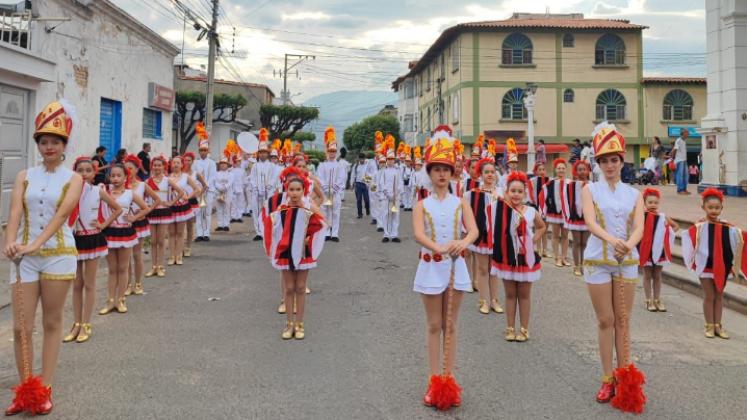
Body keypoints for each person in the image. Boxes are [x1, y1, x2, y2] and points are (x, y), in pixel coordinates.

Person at [3, 100, 83, 416]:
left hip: (58, 255)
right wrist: (10, 244)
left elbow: (60, 216)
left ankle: (44, 389)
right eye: (44, 141)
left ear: (65, 144)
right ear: (38, 144)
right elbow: (13, 214)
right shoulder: (24, 175)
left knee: (51, 322)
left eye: (55, 141)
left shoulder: (74, 178)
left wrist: (34, 244)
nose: (49, 146)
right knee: (20, 328)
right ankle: (26, 392)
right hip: (25, 258)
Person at [581, 123, 646, 410]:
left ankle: (625, 376)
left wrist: (628, 245)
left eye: (614, 160)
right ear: (598, 163)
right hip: (598, 260)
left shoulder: (634, 194)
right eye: (604, 160)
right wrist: (613, 241)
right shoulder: (590, 189)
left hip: (626, 261)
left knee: (624, 320)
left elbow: (640, 227)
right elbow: (590, 222)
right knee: (605, 320)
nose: (610, 165)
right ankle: (607, 377)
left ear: (622, 162)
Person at [412, 129, 478, 410]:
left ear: (453, 173)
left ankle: (448, 378)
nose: (441, 174)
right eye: (436, 169)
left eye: (446, 169)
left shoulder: (461, 202)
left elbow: (474, 231)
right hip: (430, 267)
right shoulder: (421, 204)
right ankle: (432, 379)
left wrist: (461, 243)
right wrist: (438, 248)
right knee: (434, 325)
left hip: (456, 267)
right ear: (429, 172)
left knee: (450, 325)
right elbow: (418, 234)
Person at [264, 169, 328, 340]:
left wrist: (310, 238)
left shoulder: (308, 205)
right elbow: (273, 229)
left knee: (300, 287)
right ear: (286, 190)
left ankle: (300, 324)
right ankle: (289, 324)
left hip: (304, 252)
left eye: (298, 189)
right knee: (289, 287)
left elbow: (323, 224)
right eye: (291, 189)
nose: (294, 193)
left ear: (304, 190)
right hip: (286, 251)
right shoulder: (281, 208)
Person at [66, 156, 122, 344]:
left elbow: (117, 209)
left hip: (93, 238)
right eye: (80, 170)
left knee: (89, 283)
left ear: (94, 173)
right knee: (76, 284)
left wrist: (103, 224)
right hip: (74, 239)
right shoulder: (68, 191)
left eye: (87, 171)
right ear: (74, 171)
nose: (84, 174)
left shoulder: (97, 191)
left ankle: (86, 324)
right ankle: (76, 323)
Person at [682, 188, 747, 339]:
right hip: (705, 266)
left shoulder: (728, 227)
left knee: (719, 295)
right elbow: (689, 239)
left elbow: (739, 239)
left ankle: (718, 325)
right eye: (710, 207)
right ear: (703, 207)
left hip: (722, 266)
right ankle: (709, 325)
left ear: (721, 208)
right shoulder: (699, 227)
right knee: (709, 295)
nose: (714, 210)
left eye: (717, 208)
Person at [493, 172, 546, 342]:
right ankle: (510, 328)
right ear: (506, 192)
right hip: (507, 257)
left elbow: (542, 227)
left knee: (524, 294)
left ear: (525, 194)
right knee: (509, 294)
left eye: (520, 191)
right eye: (512, 191)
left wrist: (532, 241)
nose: (516, 194)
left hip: (526, 259)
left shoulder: (531, 211)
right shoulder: (501, 210)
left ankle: (524, 329)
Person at [99, 164, 151, 315]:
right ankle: (110, 301)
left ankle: (121, 300)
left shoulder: (129, 193)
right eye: (112, 175)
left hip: (125, 232)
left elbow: (146, 208)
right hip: (108, 232)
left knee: (123, 268)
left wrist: (133, 218)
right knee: (112, 269)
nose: (115, 178)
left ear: (125, 177)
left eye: (118, 175)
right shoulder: (103, 191)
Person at [464, 141, 503, 314]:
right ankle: (483, 301)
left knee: (494, 270)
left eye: (492, 172)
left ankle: (494, 300)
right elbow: (466, 215)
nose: (489, 175)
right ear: (480, 174)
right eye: (486, 172)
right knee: (482, 269)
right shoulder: (471, 194)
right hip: (481, 237)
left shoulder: (502, 193)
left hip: (497, 237)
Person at [123, 155, 160, 296]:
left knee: (136, 255)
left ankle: (138, 283)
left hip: (138, 222)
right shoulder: (120, 186)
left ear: (137, 169)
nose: (127, 171)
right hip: (124, 224)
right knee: (126, 258)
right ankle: (127, 284)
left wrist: (147, 210)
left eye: (130, 168)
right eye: (125, 168)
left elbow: (156, 199)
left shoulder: (143, 185)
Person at [637, 188, 679, 312]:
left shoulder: (662, 217)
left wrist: (667, 235)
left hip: (660, 250)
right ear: (644, 203)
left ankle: (657, 299)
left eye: (655, 202)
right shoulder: (642, 215)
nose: (653, 205)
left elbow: (676, 226)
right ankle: (648, 300)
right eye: (650, 202)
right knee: (647, 275)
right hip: (646, 250)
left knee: (657, 275)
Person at [145, 156, 184, 278]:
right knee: (153, 241)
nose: (157, 167)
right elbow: (142, 196)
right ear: (152, 166)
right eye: (155, 165)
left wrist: (171, 203)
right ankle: (153, 267)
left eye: (159, 165)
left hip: (163, 211)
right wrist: (146, 205)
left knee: (161, 240)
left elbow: (181, 192)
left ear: (163, 167)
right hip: (152, 211)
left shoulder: (167, 180)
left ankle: (161, 266)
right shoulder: (147, 182)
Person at [167, 155, 198, 266]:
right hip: (170, 207)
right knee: (171, 233)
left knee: (180, 233)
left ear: (181, 165)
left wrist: (187, 197)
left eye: (178, 163)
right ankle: (172, 256)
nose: (175, 165)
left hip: (182, 207)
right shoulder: (167, 178)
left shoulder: (186, 177)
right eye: (173, 163)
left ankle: (179, 255)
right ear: (171, 164)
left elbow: (196, 189)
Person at [317, 127, 346, 242]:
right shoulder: (322, 165)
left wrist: (334, 188)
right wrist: (325, 187)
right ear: (327, 152)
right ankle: (326, 233)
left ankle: (334, 233)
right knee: (325, 212)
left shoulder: (340, 165)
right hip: (325, 192)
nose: (332, 153)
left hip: (335, 193)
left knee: (335, 213)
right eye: (330, 151)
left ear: (336, 152)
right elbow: (320, 178)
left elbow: (341, 178)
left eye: (333, 151)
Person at [539, 159, 570, 267]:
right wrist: (544, 210)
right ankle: (557, 257)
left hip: (566, 214)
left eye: (563, 168)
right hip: (554, 212)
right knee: (555, 235)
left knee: (565, 235)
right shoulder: (550, 184)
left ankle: (564, 257)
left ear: (566, 169)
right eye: (559, 168)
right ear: (555, 170)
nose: (561, 170)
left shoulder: (570, 183)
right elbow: (542, 197)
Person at [249, 129, 277, 241]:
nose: (262, 154)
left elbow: (274, 178)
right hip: (257, 192)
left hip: (268, 192)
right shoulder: (255, 165)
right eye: (260, 152)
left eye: (264, 152)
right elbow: (253, 178)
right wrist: (256, 188)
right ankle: (258, 232)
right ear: (258, 153)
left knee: (268, 211)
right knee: (256, 212)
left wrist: (268, 187)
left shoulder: (272, 166)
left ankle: (267, 231)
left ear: (267, 153)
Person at [565, 161, 591, 276]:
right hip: (575, 216)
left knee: (584, 242)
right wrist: (567, 216)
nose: (582, 172)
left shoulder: (592, 185)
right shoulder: (570, 185)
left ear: (588, 171)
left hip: (588, 218)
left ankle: (584, 264)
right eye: (579, 169)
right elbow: (565, 200)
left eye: (584, 169)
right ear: (575, 171)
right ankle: (576, 265)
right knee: (576, 242)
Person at [377, 136, 404, 243]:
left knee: (395, 215)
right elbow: (381, 183)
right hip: (386, 196)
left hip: (395, 197)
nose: (390, 161)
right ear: (386, 160)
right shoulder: (383, 171)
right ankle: (386, 234)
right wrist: (387, 193)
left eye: (392, 159)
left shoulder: (398, 171)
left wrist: (396, 193)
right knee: (386, 214)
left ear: (394, 160)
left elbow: (401, 183)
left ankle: (394, 234)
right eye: (389, 159)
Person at [181, 152, 208, 257]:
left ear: (192, 162)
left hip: (191, 202)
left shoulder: (195, 174)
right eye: (185, 160)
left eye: (189, 160)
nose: (187, 162)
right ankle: (180, 248)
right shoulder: (180, 173)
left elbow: (205, 186)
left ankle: (188, 247)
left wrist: (197, 195)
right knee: (180, 227)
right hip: (181, 201)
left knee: (189, 226)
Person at [194, 139, 216, 242]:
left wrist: (206, 186)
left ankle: (206, 233)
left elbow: (212, 176)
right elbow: (194, 176)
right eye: (201, 150)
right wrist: (199, 188)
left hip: (209, 190)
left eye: (205, 150)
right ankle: (199, 233)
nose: (203, 152)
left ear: (208, 151)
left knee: (207, 212)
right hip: (198, 190)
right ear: (199, 151)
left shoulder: (212, 163)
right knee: (198, 212)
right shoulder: (196, 163)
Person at [528, 161, 551, 258]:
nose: (542, 171)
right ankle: (537, 249)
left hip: (546, 208)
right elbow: (530, 195)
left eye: (543, 169)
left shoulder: (549, 180)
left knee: (545, 229)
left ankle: (545, 250)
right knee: (539, 228)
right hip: (536, 207)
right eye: (539, 170)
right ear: (536, 171)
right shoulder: (532, 181)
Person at [351, 152, 375, 218]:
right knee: (358, 199)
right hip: (358, 184)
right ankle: (360, 214)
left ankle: (367, 208)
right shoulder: (356, 166)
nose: (362, 160)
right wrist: (351, 184)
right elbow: (353, 175)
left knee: (367, 199)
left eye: (363, 159)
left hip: (365, 184)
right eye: (361, 159)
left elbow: (372, 172)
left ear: (365, 159)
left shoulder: (368, 164)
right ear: (359, 159)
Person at [214, 155, 234, 232]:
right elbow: (214, 182)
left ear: (227, 164)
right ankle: (220, 225)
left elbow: (231, 182)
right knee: (219, 209)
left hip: (227, 193)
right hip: (218, 193)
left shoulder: (230, 174)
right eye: (221, 163)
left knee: (226, 210)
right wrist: (219, 187)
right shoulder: (216, 173)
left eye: (224, 163)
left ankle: (226, 225)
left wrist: (225, 187)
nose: (223, 164)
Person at [673, 129, 689, 194]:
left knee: (686, 175)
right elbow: (675, 149)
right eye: (687, 133)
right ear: (684, 133)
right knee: (680, 175)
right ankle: (680, 189)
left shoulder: (684, 141)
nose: (688, 134)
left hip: (684, 159)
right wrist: (673, 158)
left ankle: (684, 189)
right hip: (679, 160)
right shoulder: (679, 140)